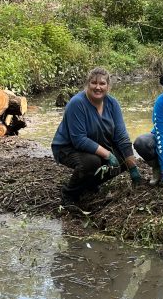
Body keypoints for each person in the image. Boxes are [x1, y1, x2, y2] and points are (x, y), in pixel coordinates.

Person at [52, 66, 142, 204]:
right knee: (92, 162)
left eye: (102, 83)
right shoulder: (77, 103)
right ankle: (69, 194)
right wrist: (108, 155)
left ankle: (89, 184)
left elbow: (121, 137)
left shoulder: (112, 104)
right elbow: (79, 140)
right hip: (68, 148)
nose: (97, 87)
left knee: (123, 159)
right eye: (94, 83)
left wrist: (133, 168)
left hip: (96, 147)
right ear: (87, 84)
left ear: (108, 86)